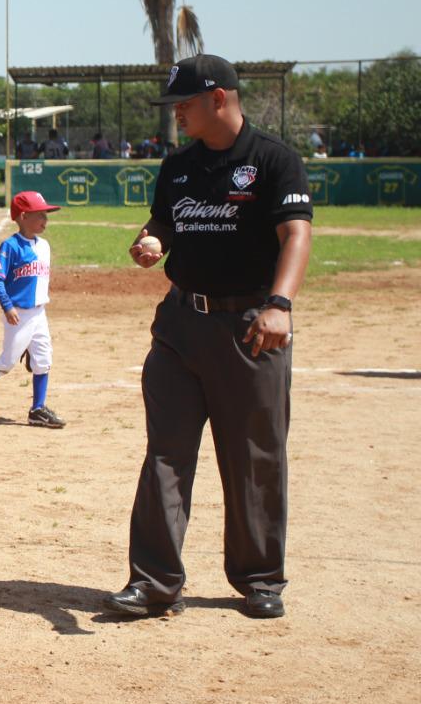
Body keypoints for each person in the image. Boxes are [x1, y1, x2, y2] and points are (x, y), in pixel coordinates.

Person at [107, 53, 312, 621]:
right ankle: (154, 581)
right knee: (166, 455)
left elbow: (296, 235)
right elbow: (164, 224)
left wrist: (279, 304)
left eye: (185, 104)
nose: (178, 115)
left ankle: (260, 578)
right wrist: (150, 240)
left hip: (252, 329)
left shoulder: (273, 160)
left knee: (254, 458)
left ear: (218, 98)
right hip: (180, 326)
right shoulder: (178, 166)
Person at [0, 191, 64, 428]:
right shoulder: (11, 246)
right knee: (7, 361)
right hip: (18, 314)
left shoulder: (44, 246)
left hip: (39, 313)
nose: (45, 220)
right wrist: (7, 306)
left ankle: (37, 409)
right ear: (24, 216)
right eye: (40, 215)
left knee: (43, 359)